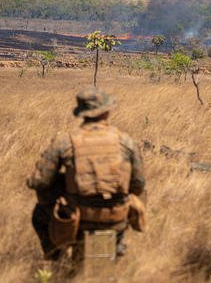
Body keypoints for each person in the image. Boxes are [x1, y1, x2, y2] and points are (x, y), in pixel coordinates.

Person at [27, 87, 145, 264]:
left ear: (82, 113)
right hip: (115, 218)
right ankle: (117, 245)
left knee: (39, 215)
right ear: (106, 111)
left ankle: (55, 257)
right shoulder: (126, 142)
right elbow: (138, 185)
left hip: (77, 217)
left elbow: (39, 181)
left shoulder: (64, 141)